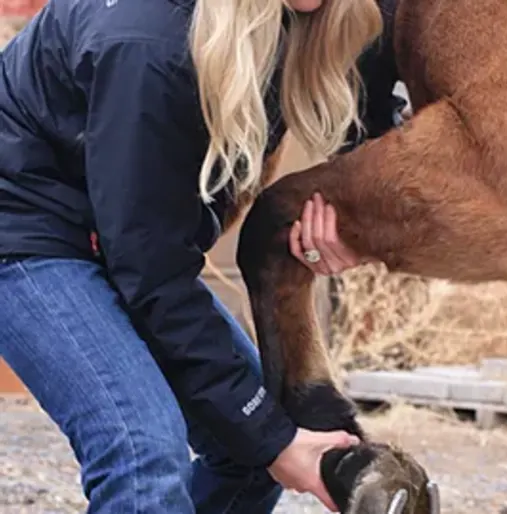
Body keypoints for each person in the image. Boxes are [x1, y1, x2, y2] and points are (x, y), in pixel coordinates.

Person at [0, 0, 406, 513]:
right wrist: (274, 440)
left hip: (120, 231)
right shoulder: (148, 43)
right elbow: (151, 272)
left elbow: (372, 92)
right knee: (141, 451)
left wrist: (351, 221)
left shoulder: (313, 17)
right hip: (25, 226)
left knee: (245, 450)